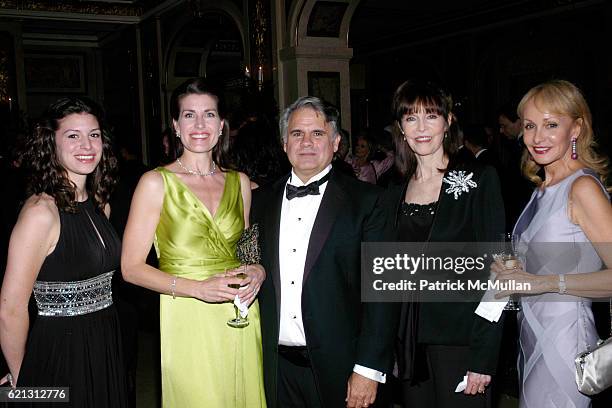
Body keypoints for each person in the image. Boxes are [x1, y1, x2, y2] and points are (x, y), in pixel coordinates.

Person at [121, 78, 266, 407]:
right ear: (175, 125)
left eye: (209, 114)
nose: (200, 124)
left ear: (222, 124)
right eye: (189, 115)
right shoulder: (155, 183)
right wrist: (197, 289)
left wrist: (258, 270)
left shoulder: (240, 182)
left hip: (239, 311)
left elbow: (246, 251)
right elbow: (130, 269)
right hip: (186, 311)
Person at [251, 96, 397, 408]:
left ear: (335, 142)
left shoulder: (369, 202)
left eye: (317, 134)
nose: (306, 143)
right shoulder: (259, 202)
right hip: (274, 368)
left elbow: (383, 295)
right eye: (296, 134)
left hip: (343, 369)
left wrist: (368, 369)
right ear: (284, 143)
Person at [383, 80, 505, 407]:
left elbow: (501, 273)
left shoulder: (479, 179)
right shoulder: (393, 188)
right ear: (400, 127)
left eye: (431, 116)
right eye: (411, 118)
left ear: (448, 121)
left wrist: (484, 355)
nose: (421, 128)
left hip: (463, 342)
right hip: (408, 344)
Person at [0, 97, 128, 407]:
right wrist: (24, 380)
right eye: (73, 135)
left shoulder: (100, 204)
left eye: (94, 134)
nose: (86, 145)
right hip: (59, 351)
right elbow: (11, 309)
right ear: (51, 145)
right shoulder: (40, 213)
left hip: (103, 342)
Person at [492, 80, 612, 408]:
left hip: (566, 339)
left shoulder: (582, 187)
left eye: (551, 124)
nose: (537, 137)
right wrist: (513, 270)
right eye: (530, 126)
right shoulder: (542, 188)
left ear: (576, 129)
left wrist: (542, 282)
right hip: (531, 334)